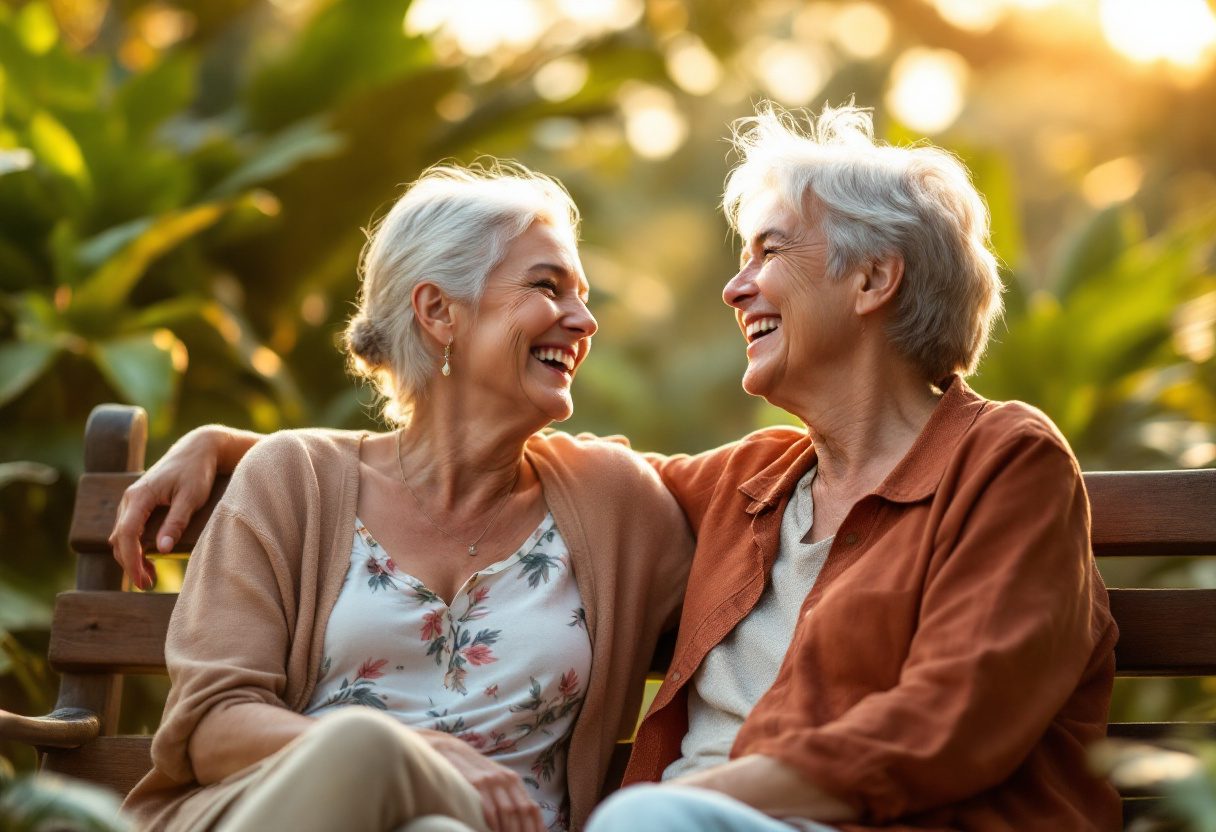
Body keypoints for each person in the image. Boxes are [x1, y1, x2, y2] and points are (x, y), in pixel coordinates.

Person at [114, 104, 1121, 831]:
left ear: (872, 278)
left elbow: (944, 723)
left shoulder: (1002, 463)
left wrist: (676, 804)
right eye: (548, 286)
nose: (734, 287)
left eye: (766, 251)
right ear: (438, 312)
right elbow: (424, 473)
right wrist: (247, 459)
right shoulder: (753, 487)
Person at [116, 163, 693, 832]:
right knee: (372, 754)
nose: (585, 320)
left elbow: (774, 500)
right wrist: (412, 755)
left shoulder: (614, 502)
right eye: (547, 286)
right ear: (439, 311)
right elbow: (212, 726)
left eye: (583, 296)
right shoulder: (292, 481)